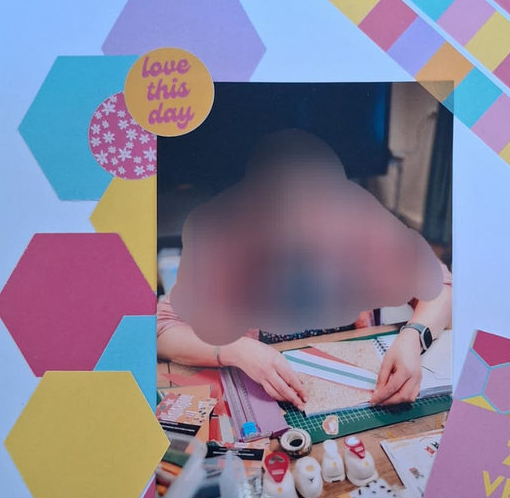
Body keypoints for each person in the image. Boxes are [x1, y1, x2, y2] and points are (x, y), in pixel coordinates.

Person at [157, 130, 453, 410]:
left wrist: (414, 337)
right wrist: (236, 350)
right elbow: (160, 328)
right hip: (263, 396)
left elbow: (441, 287)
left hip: (352, 386)